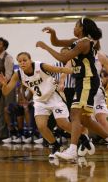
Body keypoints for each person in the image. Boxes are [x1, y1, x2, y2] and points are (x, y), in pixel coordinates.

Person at [36, 17, 108, 161]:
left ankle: (73, 150)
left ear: (82, 28)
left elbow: (64, 58)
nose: (73, 28)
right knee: (85, 119)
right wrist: (53, 34)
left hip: (87, 80)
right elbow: (57, 42)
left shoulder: (84, 42)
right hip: (82, 82)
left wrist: (46, 47)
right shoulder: (77, 41)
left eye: (76, 25)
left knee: (75, 114)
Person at [0, 52, 91, 158]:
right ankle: (55, 145)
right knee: (41, 126)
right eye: (20, 61)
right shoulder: (18, 74)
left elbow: (60, 70)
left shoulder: (40, 66)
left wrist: (76, 70)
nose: (22, 63)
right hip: (40, 101)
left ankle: (83, 136)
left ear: (30, 60)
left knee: (62, 124)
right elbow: (5, 92)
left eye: (25, 60)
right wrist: (4, 85)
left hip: (54, 96)